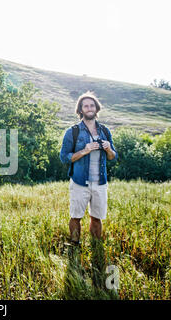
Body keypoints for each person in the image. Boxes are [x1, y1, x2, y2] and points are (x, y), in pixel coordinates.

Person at [59, 91, 117, 245]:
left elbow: (113, 157)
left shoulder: (105, 131)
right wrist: (84, 150)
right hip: (79, 182)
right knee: (76, 216)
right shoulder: (73, 132)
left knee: (97, 218)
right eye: (86, 106)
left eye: (92, 105)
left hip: (100, 183)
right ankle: (74, 245)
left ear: (96, 109)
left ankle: (96, 246)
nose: (89, 108)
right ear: (81, 110)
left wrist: (108, 149)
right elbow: (64, 157)